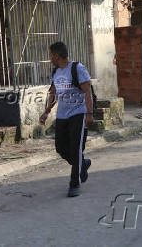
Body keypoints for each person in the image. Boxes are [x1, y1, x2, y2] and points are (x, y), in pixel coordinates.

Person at [39, 42, 93, 197]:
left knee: (76, 148)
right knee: (61, 148)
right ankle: (82, 164)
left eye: (50, 55)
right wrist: (46, 112)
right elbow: (54, 93)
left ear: (56, 55)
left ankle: (74, 184)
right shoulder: (56, 72)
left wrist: (89, 113)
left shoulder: (77, 68)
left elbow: (87, 92)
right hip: (62, 114)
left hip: (78, 112)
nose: (49, 58)